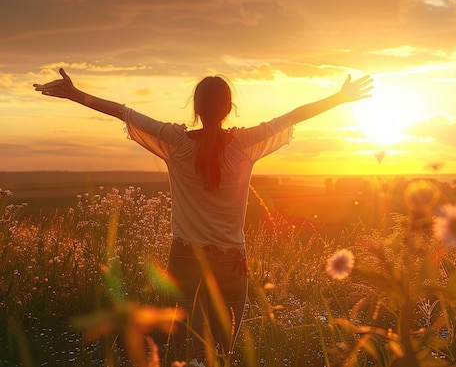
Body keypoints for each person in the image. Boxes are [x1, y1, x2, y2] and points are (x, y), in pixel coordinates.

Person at [34, 68, 373, 364]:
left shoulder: (174, 142)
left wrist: (76, 95)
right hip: (232, 263)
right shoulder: (245, 144)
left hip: (185, 261)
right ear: (229, 108)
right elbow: (292, 116)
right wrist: (339, 98)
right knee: (222, 354)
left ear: (195, 108)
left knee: (186, 354)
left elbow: (124, 112)